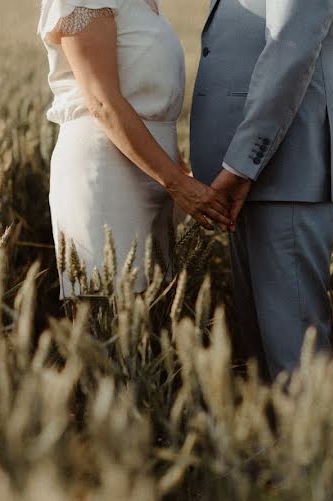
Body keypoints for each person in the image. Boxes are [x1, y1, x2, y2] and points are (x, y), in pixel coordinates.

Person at [190, 0, 333, 381]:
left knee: (294, 363)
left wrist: (241, 163)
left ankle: (312, 442)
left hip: (284, 171)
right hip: (255, 176)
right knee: (264, 364)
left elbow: (288, 50)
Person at [37, 0, 232, 298]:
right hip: (106, 171)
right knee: (104, 311)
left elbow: (148, 96)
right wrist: (178, 183)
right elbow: (102, 102)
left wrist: (177, 166)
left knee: (151, 316)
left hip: (155, 171)